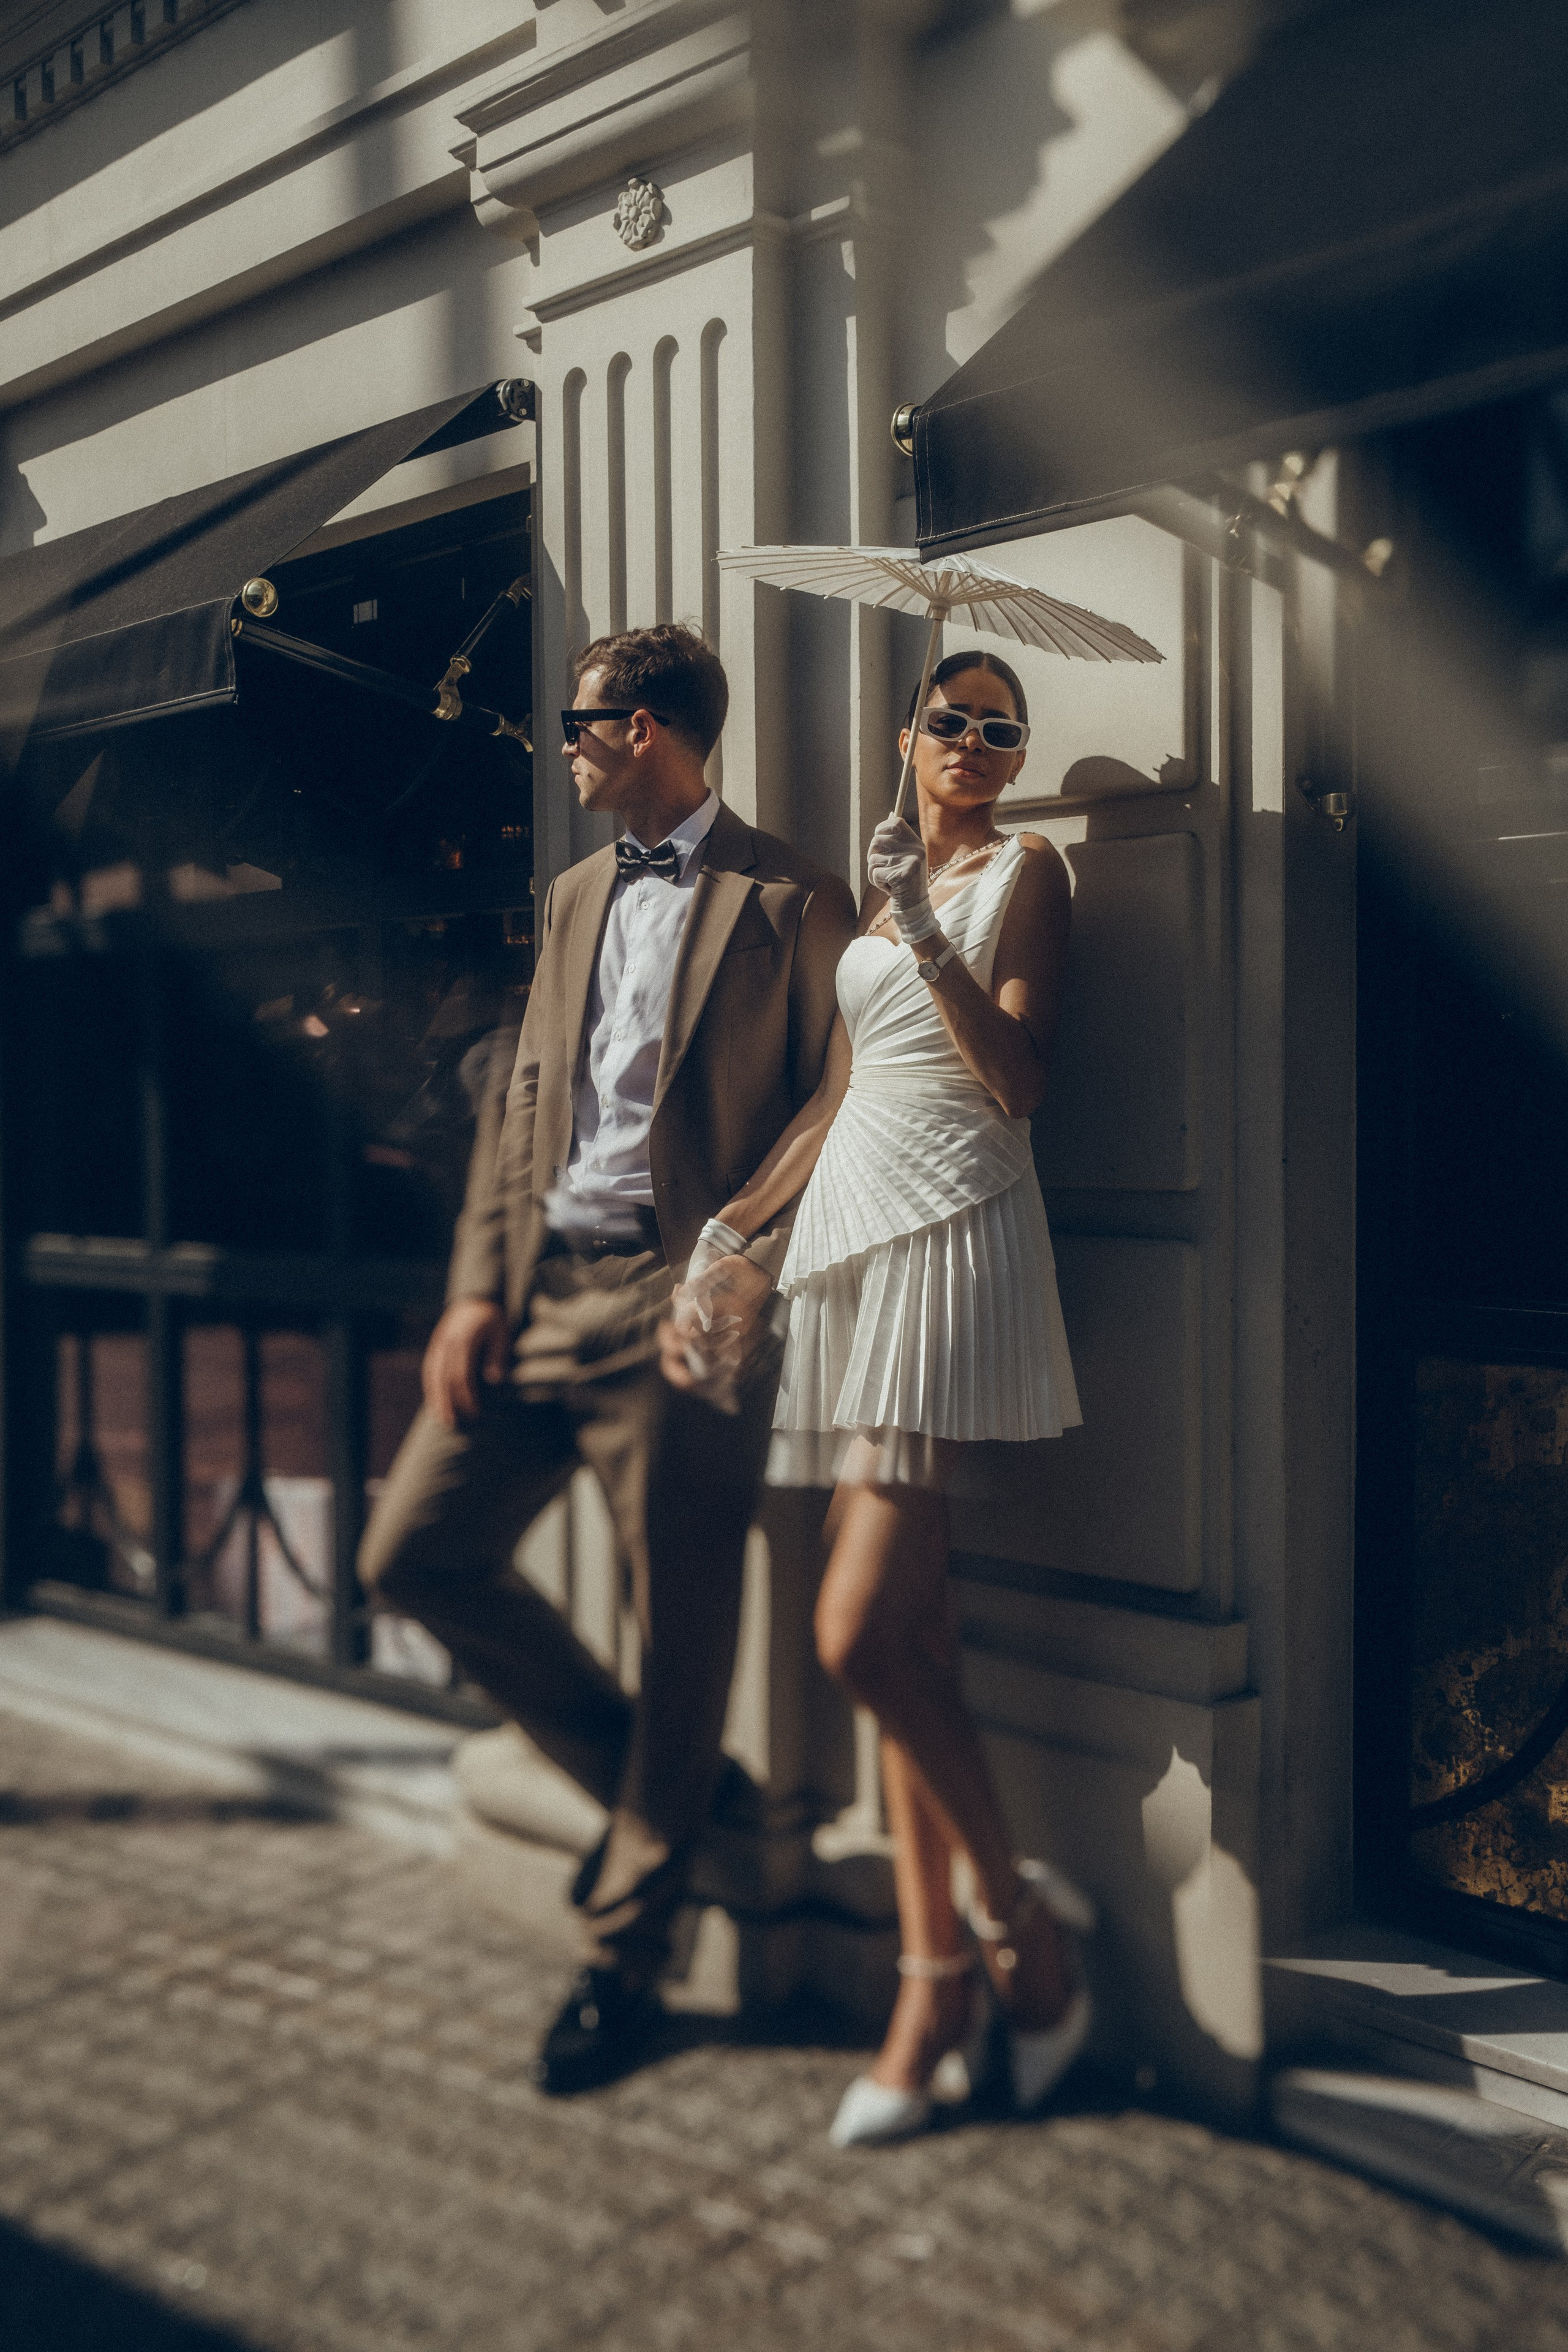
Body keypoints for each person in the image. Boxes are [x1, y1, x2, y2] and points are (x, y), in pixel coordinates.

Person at [359, 623, 855, 2095]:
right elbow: (524, 1105)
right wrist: (471, 1291)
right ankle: (665, 1787)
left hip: (674, 1302)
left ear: (645, 730)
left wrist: (747, 1262)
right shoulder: (573, 892)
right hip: (535, 1300)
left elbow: (846, 1100)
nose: (563, 744)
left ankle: (628, 1949)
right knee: (411, 1554)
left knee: (681, 1617)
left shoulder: (791, 897)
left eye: (580, 723)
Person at [669, 649, 1090, 2146]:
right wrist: (732, 1232)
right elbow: (842, 1093)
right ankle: (938, 1993)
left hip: (951, 1225)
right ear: (903, 735)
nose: (974, 743)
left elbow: (1018, 1080)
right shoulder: (873, 877)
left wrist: (921, 927)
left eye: (1000, 728)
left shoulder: (1025, 871)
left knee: (851, 1635)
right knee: (914, 1636)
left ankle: (1016, 1930)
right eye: (950, 721)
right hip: (850, 1228)